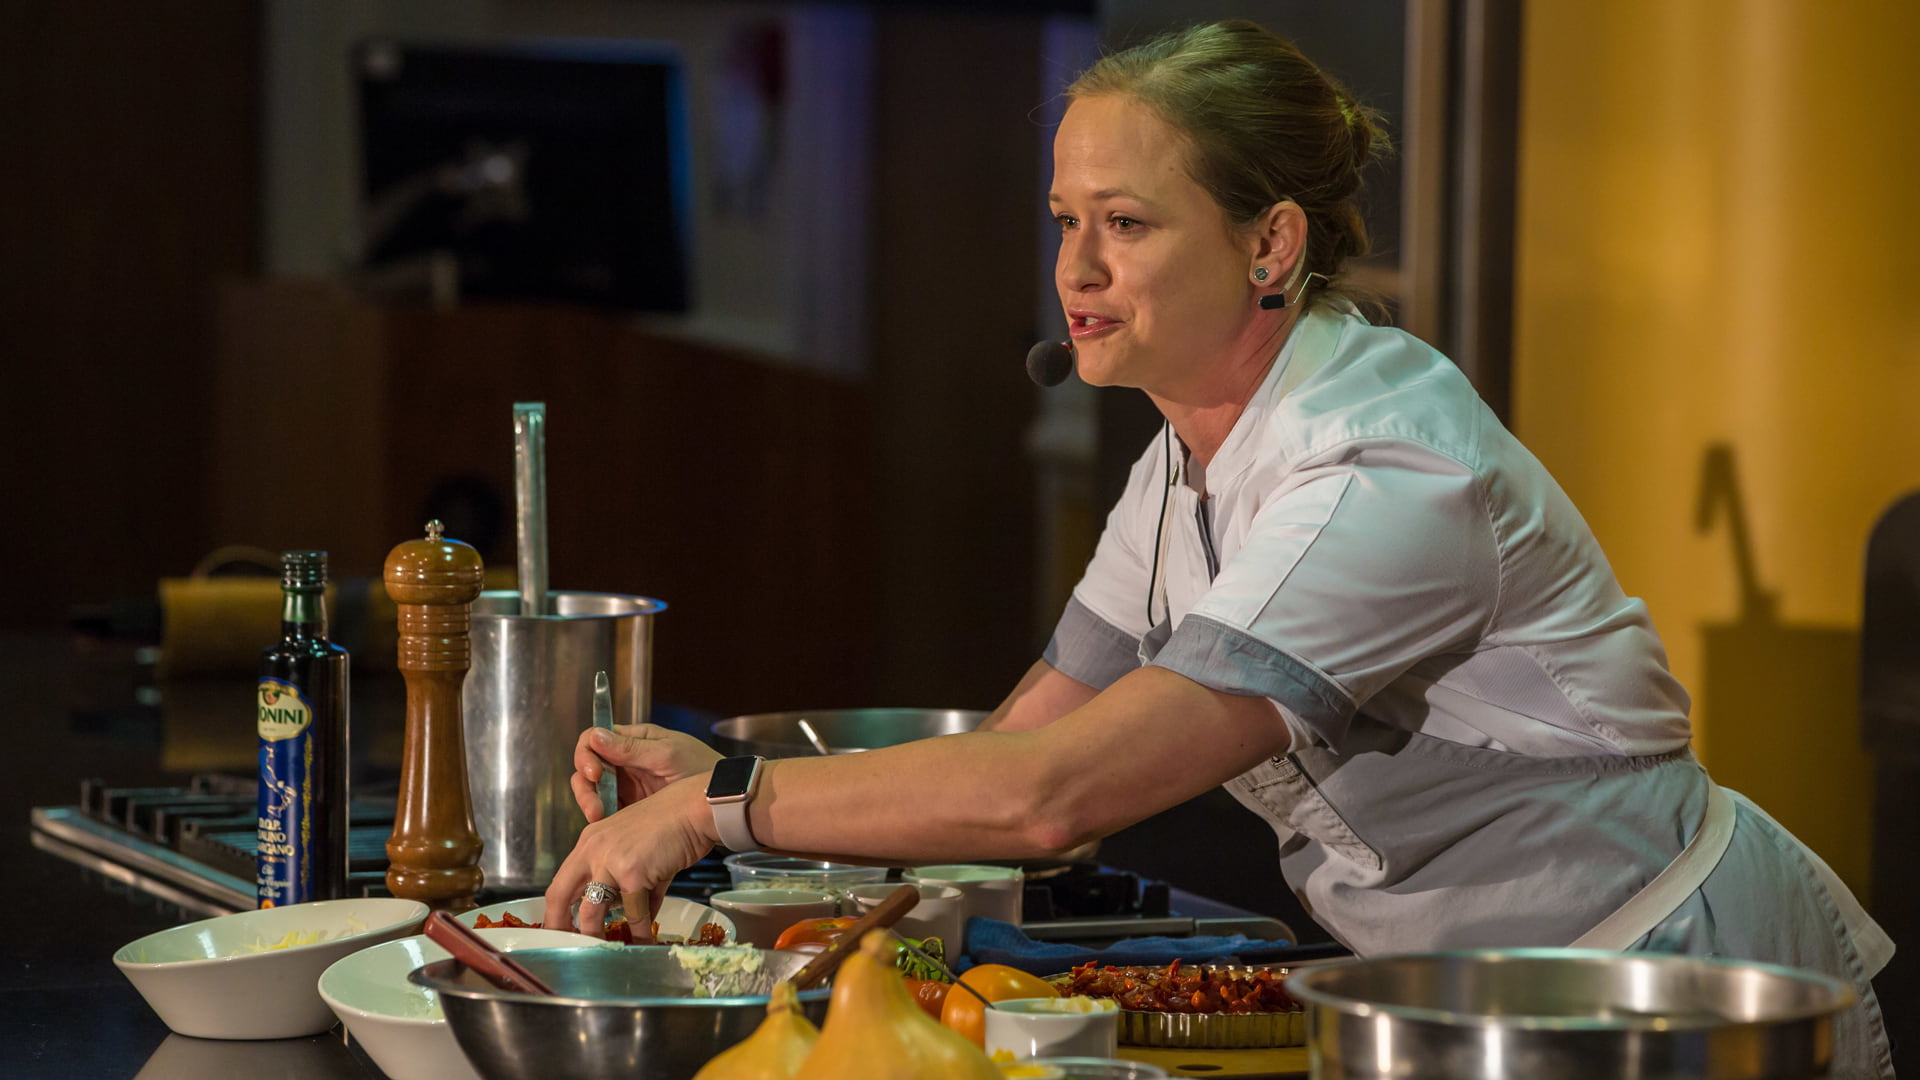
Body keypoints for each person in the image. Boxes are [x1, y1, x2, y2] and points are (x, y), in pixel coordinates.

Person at [545, 20, 1894, 1076]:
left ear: (1270, 246)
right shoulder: (1187, 455)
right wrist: (731, 781)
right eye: (1066, 220)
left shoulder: (1381, 470)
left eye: (1124, 225)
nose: (1074, 269)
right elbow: (1015, 748)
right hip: (1467, 1002)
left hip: (1660, 993)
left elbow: (1048, 801)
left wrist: (721, 804)